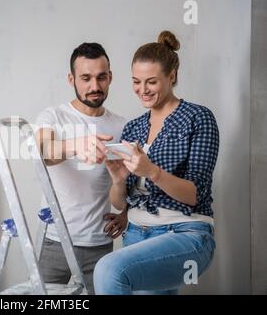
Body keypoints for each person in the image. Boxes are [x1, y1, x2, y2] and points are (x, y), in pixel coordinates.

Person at [93, 30, 219, 295]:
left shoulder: (198, 118)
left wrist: (151, 170)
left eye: (151, 81)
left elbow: (194, 195)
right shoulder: (133, 128)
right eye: (136, 82)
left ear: (171, 76)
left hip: (185, 233)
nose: (142, 90)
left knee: (109, 269)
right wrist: (118, 180)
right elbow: (120, 203)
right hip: (136, 233)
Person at [35, 42, 128, 294]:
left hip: (99, 245)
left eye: (101, 77)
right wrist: (77, 144)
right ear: (71, 78)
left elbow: (131, 183)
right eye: (85, 78)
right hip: (54, 241)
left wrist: (125, 214)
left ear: (110, 77)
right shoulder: (53, 116)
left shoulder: (122, 125)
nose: (94, 86)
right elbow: (43, 151)